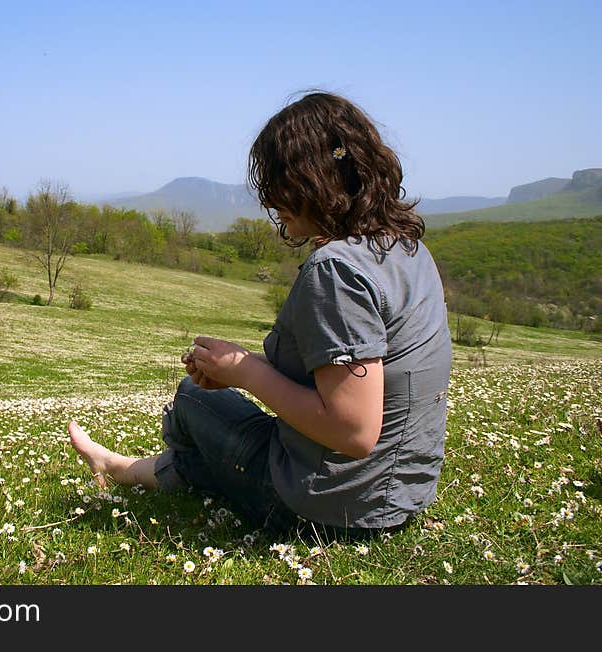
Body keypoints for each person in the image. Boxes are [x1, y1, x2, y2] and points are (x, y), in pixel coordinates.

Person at [68, 90, 452, 538]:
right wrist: (237, 367)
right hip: (401, 497)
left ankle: (126, 471)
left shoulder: (336, 271)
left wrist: (246, 372)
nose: (270, 201)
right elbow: (353, 376)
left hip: (329, 510)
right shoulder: (406, 248)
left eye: (276, 183)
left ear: (307, 183)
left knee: (195, 400)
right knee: (215, 403)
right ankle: (133, 469)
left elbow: (354, 431)